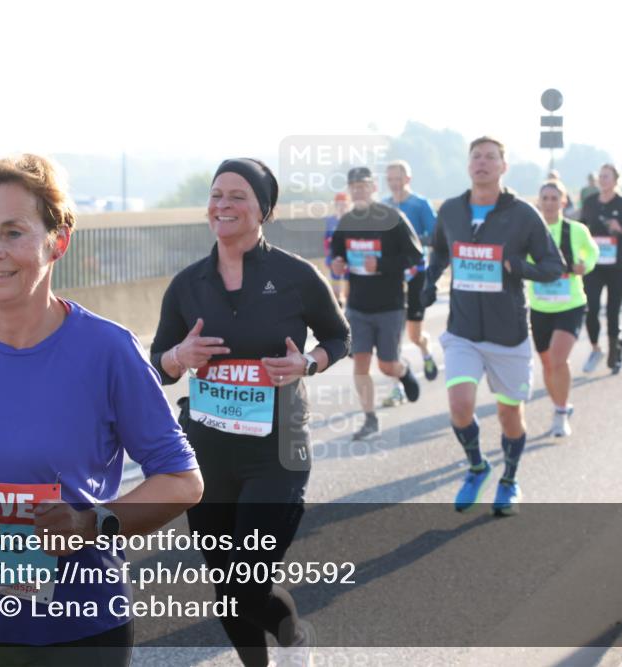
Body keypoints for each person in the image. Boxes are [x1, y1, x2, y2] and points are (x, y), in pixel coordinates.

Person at [0, 154, 204, 667]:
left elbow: (182, 480)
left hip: (80, 630)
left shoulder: (109, 350)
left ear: (57, 240)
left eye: (13, 232)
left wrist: (91, 522)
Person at [151, 158, 350, 667]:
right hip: (207, 452)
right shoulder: (188, 285)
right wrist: (179, 358)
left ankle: (294, 638)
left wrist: (306, 362)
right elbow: (160, 363)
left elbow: (339, 336)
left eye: (238, 195)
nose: (223, 204)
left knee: (249, 577)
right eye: (217, 194)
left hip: (275, 451)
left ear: (264, 209)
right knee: (227, 584)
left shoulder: (296, 276)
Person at [422, 136, 563, 515]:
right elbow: (438, 249)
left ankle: (509, 479)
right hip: (464, 330)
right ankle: (477, 467)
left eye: (491, 157)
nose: (482, 162)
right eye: (476, 157)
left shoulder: (522, 215)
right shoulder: (451, 210)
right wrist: (427, 282)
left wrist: (519, 268)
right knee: (460, 405)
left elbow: (554, 266)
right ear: (468, 165)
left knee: (508, 415)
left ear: (504, 167)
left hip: (508, 333)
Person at [330, 166, 424, 439]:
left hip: (390, 305)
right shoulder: (346, 222)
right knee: (360, 363)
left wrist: (381, 265)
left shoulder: (392, 218)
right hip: (358, 306)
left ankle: (403, 372)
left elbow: (415, 255)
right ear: (350, 191)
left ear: (374, 188)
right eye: (354, 186)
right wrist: (337, 265)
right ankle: (370, 419)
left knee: (386, 365)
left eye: (364, 185)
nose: (359, 190)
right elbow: (337, 259)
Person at [528, 180, 598, 436]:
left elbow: (591, 252)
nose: (549, 203)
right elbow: (521, 259)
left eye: (554, 198)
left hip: (570, 304)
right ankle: (560, 405)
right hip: (540, 306)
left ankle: (559, 413)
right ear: (539, 201)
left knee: (559, 358)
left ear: (563, 202)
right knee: (547, 364)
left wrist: (584, 265)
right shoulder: (530, 230)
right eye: (544, 198)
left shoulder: (575, 230)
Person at [381, 160, 439, 407]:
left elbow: (436, 236)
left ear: (408, 179)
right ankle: (398, 387)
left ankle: (425, 351)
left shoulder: (420, 204)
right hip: (391, 278)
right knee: (392, 334)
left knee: (414, 335)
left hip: (416, 274)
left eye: (398, 178)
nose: (394, 183)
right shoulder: (383, 206)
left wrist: (411, 240)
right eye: (390, 178)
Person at [579, 164, 622, 374]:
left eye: (607, 176)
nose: (603, 180)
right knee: (591, 310)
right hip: (594, 265)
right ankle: (596, 348)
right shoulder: (590, 203)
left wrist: (621, 229)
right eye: (600, 176)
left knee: (613, 312)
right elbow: (581, 230)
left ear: (617, 180)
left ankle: (615, 351)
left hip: (618, 266)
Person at [323, 192, 351, 306]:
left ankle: (348, 305)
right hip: (334, 256)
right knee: (335, 286)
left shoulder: (352, 219)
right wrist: (328, 255)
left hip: (349, 257)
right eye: (339, 204)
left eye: (344, 204)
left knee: (349, 285)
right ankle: (338, 306)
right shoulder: (330, 220)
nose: (341, 207)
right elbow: (326, 240)